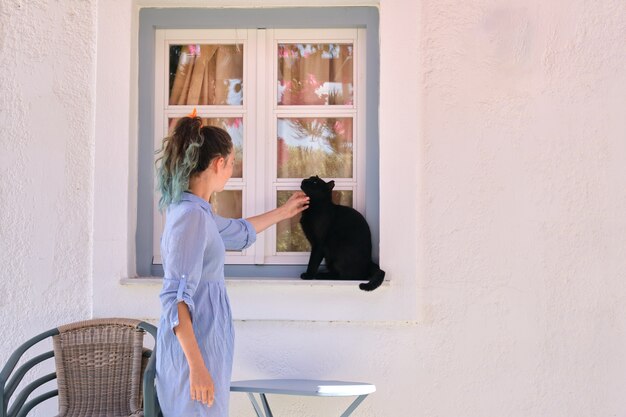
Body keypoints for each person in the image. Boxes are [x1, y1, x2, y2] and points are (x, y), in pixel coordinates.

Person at [154, 112, 309, 417]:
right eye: (232, 162)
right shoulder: (190, 217)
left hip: (205, 346)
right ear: (217, 163)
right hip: (192, 356)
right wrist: (197, 367)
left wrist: (283, 212)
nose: (232, 170)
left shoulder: (199, 213)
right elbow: (175, 300)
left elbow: (237, 234)